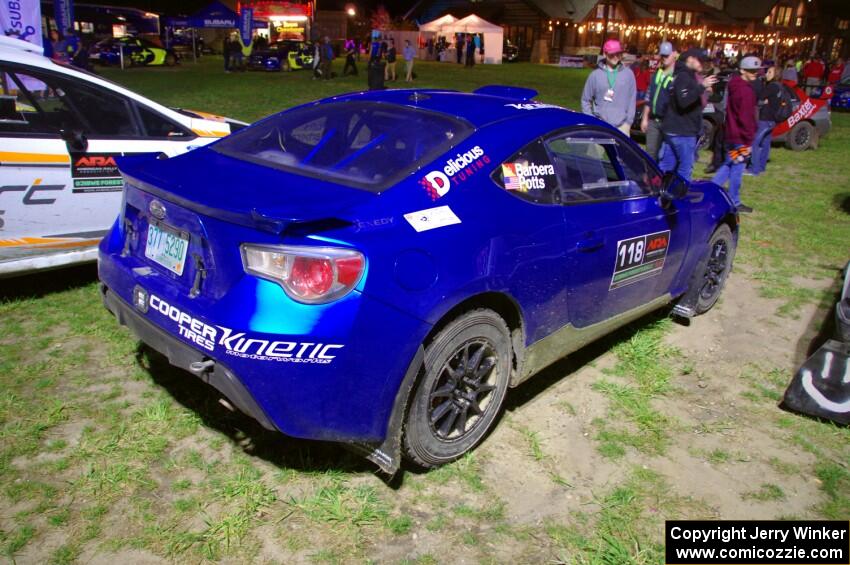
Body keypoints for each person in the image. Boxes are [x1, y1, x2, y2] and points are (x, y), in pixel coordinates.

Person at [711, 56, 761, 213]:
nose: (755, 74)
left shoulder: (734, 85)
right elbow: (745, 117)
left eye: (756, 71)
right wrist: (749, 140)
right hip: (741, 137)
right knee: (737, 168)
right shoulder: (745, 91)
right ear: (742, 70)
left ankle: (713, 190)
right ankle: (733, 200)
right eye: (751, 71)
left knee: (730, 164)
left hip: (732, 134)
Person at [658, 48, 717, 181]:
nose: (703, 64)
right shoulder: (684, 76)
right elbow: (684, 101)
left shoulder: (686, 75)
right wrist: (702, 87)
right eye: (700, 61)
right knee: (685, 168)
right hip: (682, 132)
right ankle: (679, 195)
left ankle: (659, 194)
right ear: (690, 59)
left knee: (666, 166)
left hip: (676, 130)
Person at [581, 39, 636, 137]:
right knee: (593, 153)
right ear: (605, 54)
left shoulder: (628, 74)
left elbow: (632, 99)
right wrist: (592, 121)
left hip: (622, 127)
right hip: (600, 125)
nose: (615, 57)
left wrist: (628, 122)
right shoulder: (595, 75)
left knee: (622, 153)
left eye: (618, 54)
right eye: (612, 54)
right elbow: (585, 100)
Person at [640, 41, 676, 161]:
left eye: (667, 55)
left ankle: (661, 178)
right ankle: (649, 178)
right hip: (653, 121)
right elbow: (649, 97)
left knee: (664, 156)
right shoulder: (657, 74)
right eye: (662, 55)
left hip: (668, 122)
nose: (664, 58)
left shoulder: (677, 76)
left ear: (674, 54)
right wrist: (645, 118)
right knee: (650, 154)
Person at [749, 65, 783, 176]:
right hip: (772, 120)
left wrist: (763, 100)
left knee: (755, 143)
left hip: (765, 119)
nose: (766, 74)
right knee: (765, 143)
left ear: (775, 75)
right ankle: (762, 166)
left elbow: (759, 97)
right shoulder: (779, 86)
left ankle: (754, 168)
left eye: (769, 72)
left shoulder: (771, 86)